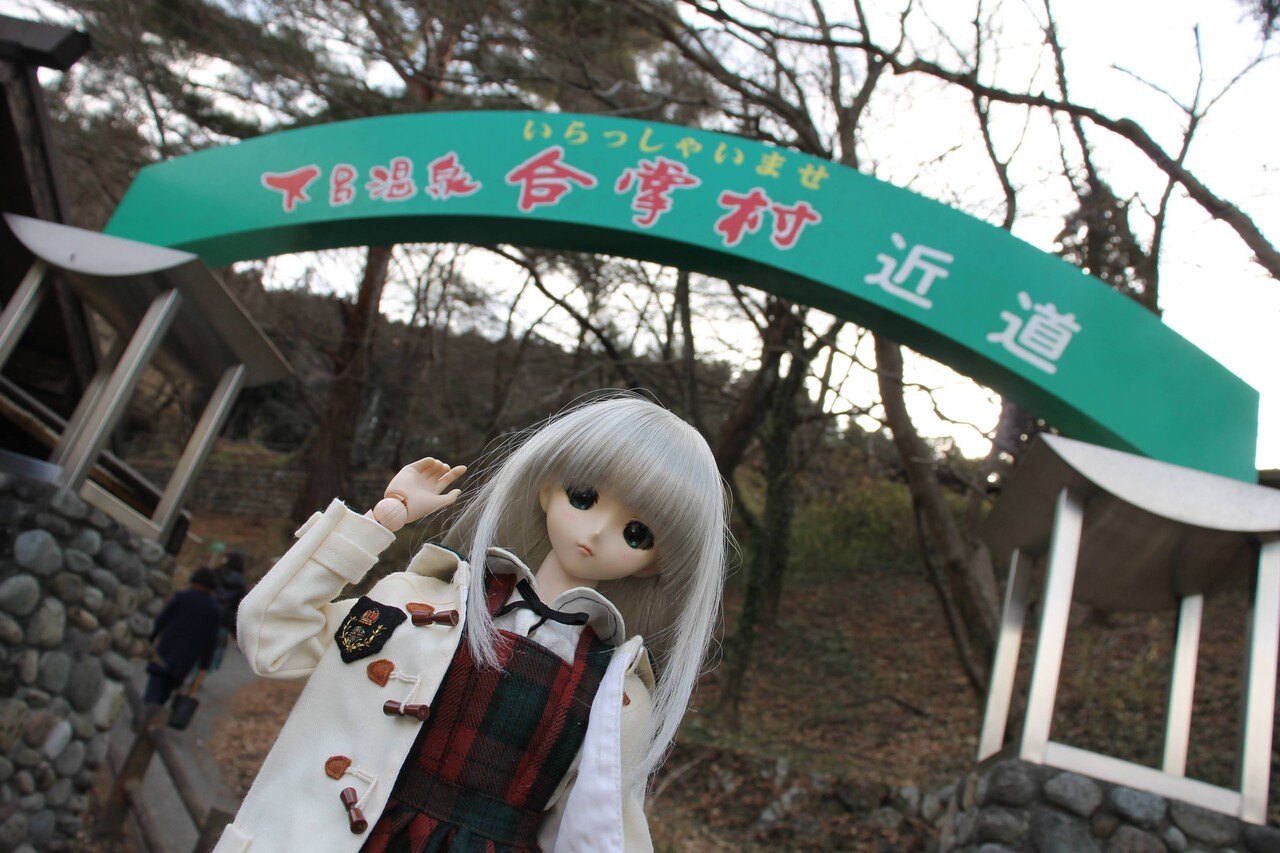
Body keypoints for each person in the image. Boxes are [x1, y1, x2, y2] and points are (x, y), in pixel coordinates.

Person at [214, 394, 729, 853]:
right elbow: (273, 636)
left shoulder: (618, 697)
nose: (594, 532)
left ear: (655, 564)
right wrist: (378, 521)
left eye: (637, 533)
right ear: (547, 490)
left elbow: (600, 832)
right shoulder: (415, 603)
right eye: (583, 497)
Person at [145, 566, 223, 707]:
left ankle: (147, 710)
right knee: (167, 690)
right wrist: (204, 664)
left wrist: (150, 638)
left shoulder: (182, 597)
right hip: (186, 658)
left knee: (155, 685)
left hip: (165, 650)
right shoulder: (214, 610)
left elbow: (162, 619)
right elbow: (211, 641)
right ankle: (155, 711)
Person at [208, 552, 248, 671]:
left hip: (205, 618)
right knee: (214, 654)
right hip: (223, 624)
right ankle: (201, 677)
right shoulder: (241, 584)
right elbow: (239, 609)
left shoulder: (214, 575)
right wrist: (235, 632)